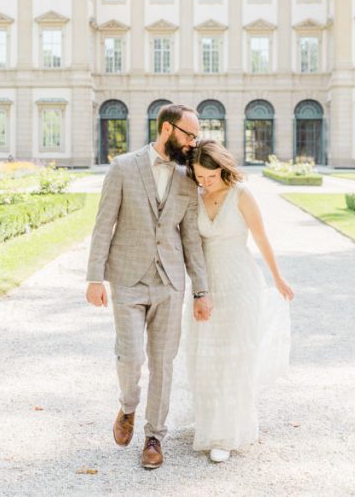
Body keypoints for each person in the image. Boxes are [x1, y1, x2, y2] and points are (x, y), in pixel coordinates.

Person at [85, 104, 213, 470]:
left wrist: (201, 291)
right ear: (168, 130)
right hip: (127, 278)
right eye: (190, 135)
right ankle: (128, 406)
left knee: (163, 363)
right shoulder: (123, 167)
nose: (194, 143)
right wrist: (95, 277)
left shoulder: (189, 178)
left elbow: (191, 241)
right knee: (131, 357)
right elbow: (103, 224)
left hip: (170, 282)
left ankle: (155, 436)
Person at [182, 139, 293, 463]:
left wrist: (277, 277)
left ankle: (227, 434)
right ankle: (209, 424)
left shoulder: (242, 195)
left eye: (209, 177)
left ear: (222, 169)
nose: (204, 183)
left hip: (240, 282)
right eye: (199, 177)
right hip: (207, 286)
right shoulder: (195, 196)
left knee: (234, 359)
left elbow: (261, 238)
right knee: (206, 358)